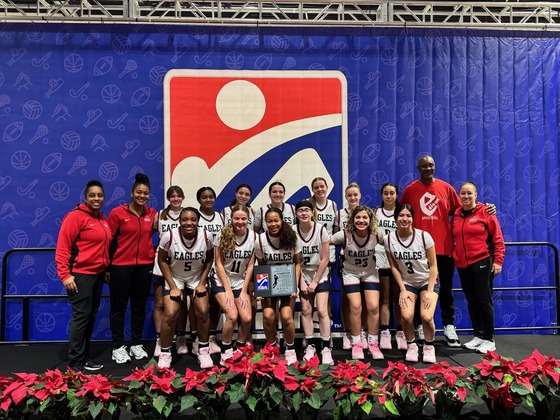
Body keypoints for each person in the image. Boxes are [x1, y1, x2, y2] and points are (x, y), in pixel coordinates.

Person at [400, 155, 462, 347]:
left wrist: (485, 208)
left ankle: (449, 326)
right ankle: (419, 326)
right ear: (418, 168)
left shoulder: (446, 188)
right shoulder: (410, 190)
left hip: (443, 249)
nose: (428, 168)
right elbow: (400, 213)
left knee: (445, 290)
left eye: (431, 165)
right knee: (420, 289)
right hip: (419, 251)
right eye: (424, 166)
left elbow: (462, 210)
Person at [56, 180, 112, 372]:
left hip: (96, 276)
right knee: (81, 317)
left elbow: (102, 248)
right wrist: (65, 275)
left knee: (89, 316)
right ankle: (75, 363)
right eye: (92, 195)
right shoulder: (75, 217)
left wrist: (105, 269)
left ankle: (84, 356)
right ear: (85, 197)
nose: (96, 199)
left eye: (100, 195)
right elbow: (63, 248)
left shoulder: (102, 219)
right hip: (80, 275)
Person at [107, 173, 157, 364]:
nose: (142, 196)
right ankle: (118, 346)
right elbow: (108, 241)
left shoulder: (152, 214)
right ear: (132, 193)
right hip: (120, 267)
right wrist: (107, 268)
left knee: (139, 307)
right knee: (118, 307)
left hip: (144, 267)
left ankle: (136, 343)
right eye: (138, 192)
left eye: (145, 193)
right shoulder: (117, 213)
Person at [451, 182, 505, 354]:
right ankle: (479, 336)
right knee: (472, 300)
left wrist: (498, 261)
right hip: (462, 264)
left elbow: (498, 239)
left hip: (482, 261)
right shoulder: (457, 214)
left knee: (484, 300)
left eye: (469, 193)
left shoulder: (485, 212)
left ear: (476, 194)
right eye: (463, 194)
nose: (466, 197)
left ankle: (489, 339)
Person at [157, 207, 214, 369]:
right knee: (170, 313)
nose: (189, 223)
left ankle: (203, 349)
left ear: (198, 221)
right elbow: (162, 260)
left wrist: (202, 282)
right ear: (179, 221)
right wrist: (174, 287)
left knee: (203, 311)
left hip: (196, 277)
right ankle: (165, 353)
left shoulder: (206, 236)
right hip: (175, 277)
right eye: (185, 220)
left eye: (193, 219)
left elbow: (209, 259)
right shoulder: (169, 236)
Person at [385, 204, 439, 364]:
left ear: (413, 218)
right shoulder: (389, 239)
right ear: (395, 218)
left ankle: (429, 346)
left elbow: (433, 265)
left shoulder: (424, 236)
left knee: (426, 317)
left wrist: (429, 291)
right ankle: (412, 345)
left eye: (408, 216)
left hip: (426, 280)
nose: (404, 219)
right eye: (401, 215)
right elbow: (393, 266)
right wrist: (402, 289)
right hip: (407, 282)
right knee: (406, 316)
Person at [330, 205, 384, 360]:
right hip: (350, 273)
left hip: (370, 272)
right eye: (358, 217)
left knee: (373, 307)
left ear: (370, 220)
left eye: (365, 217)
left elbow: (392, 245)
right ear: (352, 219)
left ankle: (373, 343)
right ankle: (356, 343)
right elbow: (324, 243)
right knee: (355, 306)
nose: (361, 220)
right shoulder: (344, 235)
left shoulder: (376, 234)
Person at [255, 207, 302, 365]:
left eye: (276, 220)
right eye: (269, 221)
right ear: (265, 222)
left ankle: (290, 348)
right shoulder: (260, 240)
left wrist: (295, 286)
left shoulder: (292, 237)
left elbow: (297, 264)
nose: (273, 224)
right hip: (269, 282)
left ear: (282, 221)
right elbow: (261, 265)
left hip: (287, 282)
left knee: (287, 317)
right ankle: (272, 348)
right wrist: (260, 288)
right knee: (268, 317)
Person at [212, 204, 256, 365]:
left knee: (246, 318)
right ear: (231, 219)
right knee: (232, 316)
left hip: (240, 281)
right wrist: (228, 291)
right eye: (236, 218)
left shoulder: (254, 237)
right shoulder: (222, 235)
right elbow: (218, 264)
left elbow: (251, 265)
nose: (240, 222)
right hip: (221, 280)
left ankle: (240, 348)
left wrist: (244, 291)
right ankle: (226, 350)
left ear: (248, 220)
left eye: (243, 219)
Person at [293, 200, 333, 365]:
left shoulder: (321, 229)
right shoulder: (293, 231)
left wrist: (315, 281)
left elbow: (325, 258)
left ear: (312, 213)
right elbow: (293, 260)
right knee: (306, 310)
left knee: (323, 311)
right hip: (303, 273)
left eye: (306, 210)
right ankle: (310, 346)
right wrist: (301, 281)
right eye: (300, 210)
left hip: (320, 273)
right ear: (296, 214)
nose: (303, 213)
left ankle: (326, 347)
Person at [152, 186, 185, 357]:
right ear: (168, 198)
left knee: (179, 306)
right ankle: (160, 340)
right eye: (172, 196)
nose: (175, 199)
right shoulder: (160, 216)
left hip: (180, 264)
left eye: (179, 196)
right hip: (161, 264)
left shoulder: (187, 215)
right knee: (159, 304)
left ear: (183, 198)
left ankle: (180, 338)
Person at [374, 183, 406, 351]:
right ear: (381, 195)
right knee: (385, 297)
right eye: (385, 193)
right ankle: (385, 332)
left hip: (399, 258)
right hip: (381, 257)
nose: (388, 196)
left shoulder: (402, 213)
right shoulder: (376, 213)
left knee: (399, 297)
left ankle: (400, 332)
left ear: (396, 195)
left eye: (392, 193)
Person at [197, 186, 225, 355]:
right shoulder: (194, 216)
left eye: (211, 197)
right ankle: (197, 338)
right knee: (199, 306)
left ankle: (212, 336)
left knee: (215, 304)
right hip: (198, 265)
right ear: (199, 199)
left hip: (217, 264)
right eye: (204, 197)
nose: (208, 200)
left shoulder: (220, 217)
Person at [337, 183, 364, 350]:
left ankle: (363, 332)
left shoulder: (366, 213)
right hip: (345, 260)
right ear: (346, 197)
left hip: (365, 260)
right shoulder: (339, 214)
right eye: (349, 195)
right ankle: (347, 332)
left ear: (359, 195)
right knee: (347, 298)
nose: (353, 198)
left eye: (355, 195)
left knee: (367, 300)